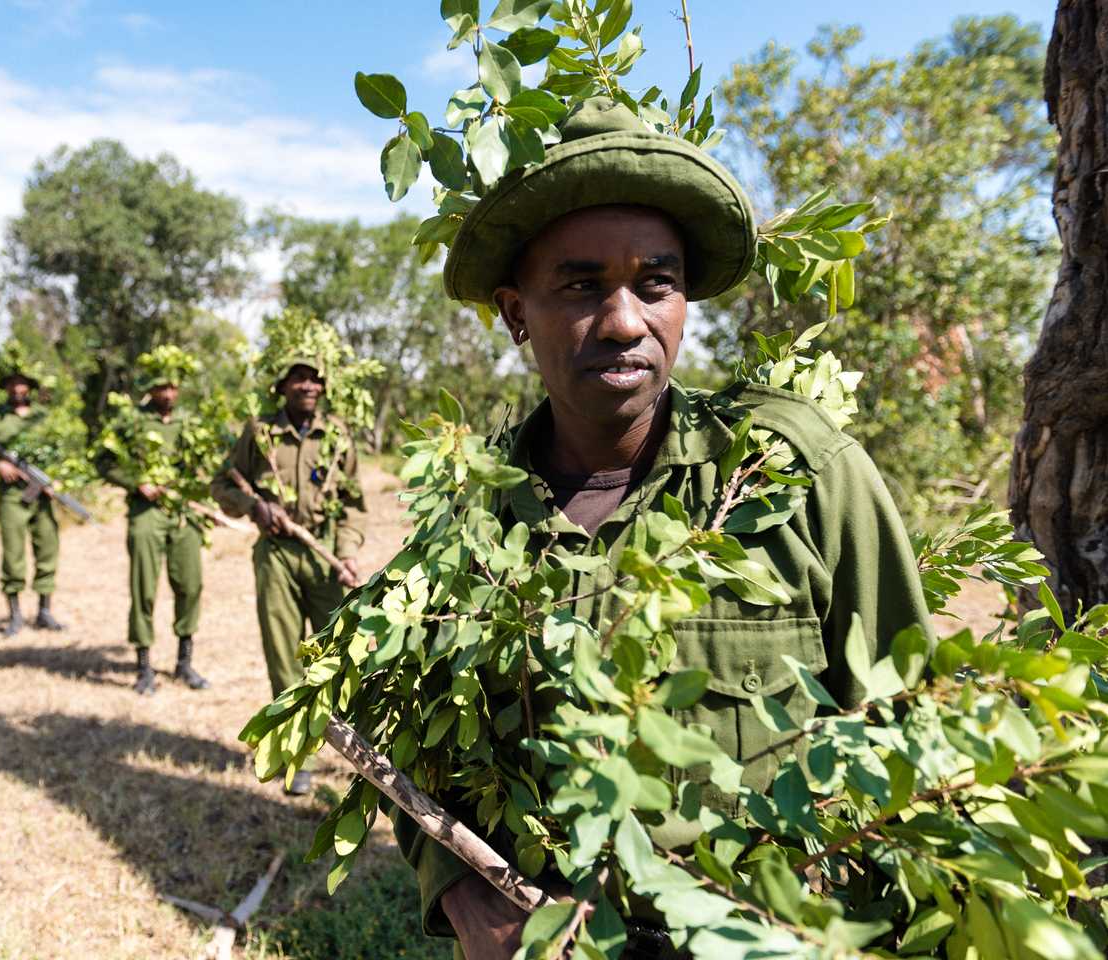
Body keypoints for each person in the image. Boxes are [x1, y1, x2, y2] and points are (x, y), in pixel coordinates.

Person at [392, 98, 934, 959]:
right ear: (512, 310)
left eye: (656, 282)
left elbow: (914, 729)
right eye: (578, 284)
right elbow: (418, 739)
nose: (623, 321)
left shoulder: (797, 474)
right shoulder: (466, 514)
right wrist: (460, 893)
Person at [211, 355, 367, 794]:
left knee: (334, 657)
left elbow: (354, 505)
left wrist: (348, 551)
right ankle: (300, 757)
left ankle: (355, 750)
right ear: (281, 386)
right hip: (276, 555)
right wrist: (254, 507)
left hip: (323, 557)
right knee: (284, 659)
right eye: (298, 378)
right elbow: (221, 484)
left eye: (315, 378)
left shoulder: (336, 436)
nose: (308, 385)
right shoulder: (259, 433)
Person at [96, 353, 210, 695]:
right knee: (143, 588)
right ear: (151, 388)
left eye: (173, 386)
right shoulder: (131, 422)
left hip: (183, 511)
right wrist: (135, 481)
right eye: (162, 386)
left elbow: (213, 460)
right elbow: (103, 460)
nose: (168, 393)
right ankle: (144, 667)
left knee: (190, 586)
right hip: (146, 513)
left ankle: (184, 663)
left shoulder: (191, 422)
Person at [0, 365, 67, 637]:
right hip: (13, 494)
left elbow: (61, 451)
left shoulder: (44, 418)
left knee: (47, 548)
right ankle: (15, 615)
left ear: (30, 387)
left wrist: (55, 480)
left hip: (41, 495)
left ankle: (45, 611)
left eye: (22, 384)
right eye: (12, 384)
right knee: (13, 553)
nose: (17, 389)